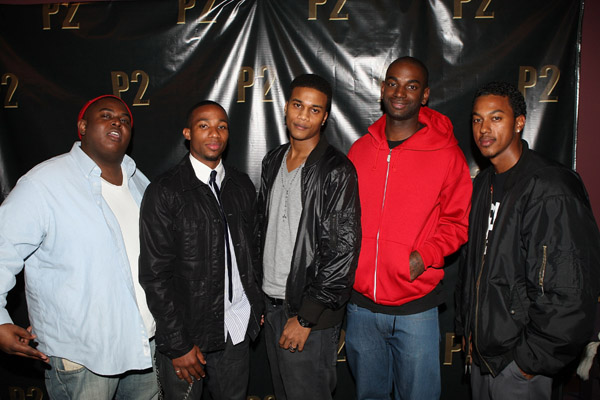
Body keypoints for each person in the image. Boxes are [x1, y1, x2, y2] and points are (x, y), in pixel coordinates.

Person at [0, 95, 158, 399]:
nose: (117, 122)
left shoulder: (141, 184)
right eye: (107, 116)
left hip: (144, 347)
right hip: (82, 356)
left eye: (125, 120)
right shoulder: (44, 183)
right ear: (82, 126)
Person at [455, 81, 600, 399]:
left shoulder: (551, 186)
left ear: (519, 122)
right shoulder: (484, 184)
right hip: (484, 357)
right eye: (477, 119)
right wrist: (468, 329)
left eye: (496, 117)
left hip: (520, 364)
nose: (484, 129)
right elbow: (472, 266)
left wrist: (530, 360)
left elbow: (572, 286)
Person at [345, 56, 472, 400]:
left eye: (411, 85)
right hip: (361, 308)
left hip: (415, 307)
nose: (400, 92)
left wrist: (423, 256)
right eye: (393, 83)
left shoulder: (448, 154)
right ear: (383, 88)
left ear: (425, 95)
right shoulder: (359, 150)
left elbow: (458, 222)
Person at [139, 101, 263, 400]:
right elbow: (155, 275)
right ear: (187, 133)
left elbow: (253, 249)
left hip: (235, 328)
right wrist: (177, 343)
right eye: (203, 125)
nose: (214, 133)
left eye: (222, 126)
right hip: (189, 336)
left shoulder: (241, 184)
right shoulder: (165, 190)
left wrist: (255, 302)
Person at [255, 73, 361, 400]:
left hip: (307, 314)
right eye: (298, 105)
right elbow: (261, 230)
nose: (304, 115)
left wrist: (306, 317)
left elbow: (342, 252)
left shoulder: (336, 170)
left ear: (325, 117)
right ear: (286, 107)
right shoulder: (273, 160)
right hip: (271, 305)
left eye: (314, 110)